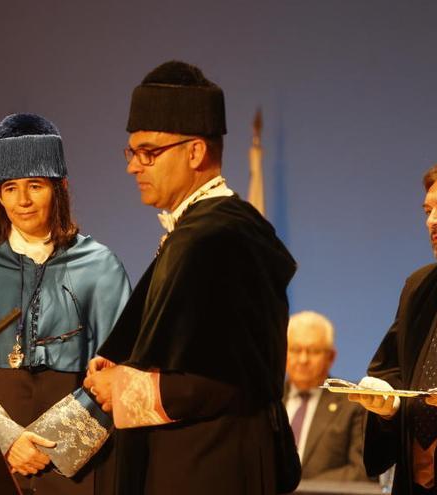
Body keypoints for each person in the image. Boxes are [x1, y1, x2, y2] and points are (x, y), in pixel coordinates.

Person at [83, 60, 297, 495]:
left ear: (195, 152)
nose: (133, 168)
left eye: (148, 153)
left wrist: (122, 387)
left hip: (211, 463)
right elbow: (189, 350)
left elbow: (227, 382)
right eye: (132, 153)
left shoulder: (213, 236)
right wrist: (124, 361)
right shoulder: (204, 228)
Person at [0, 113, 131, 494]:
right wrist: (6, 440)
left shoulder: (100, 267)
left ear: (60, 187)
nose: (22, 200)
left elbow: (120, 368)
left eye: (35, 185)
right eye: (9, 188)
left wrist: (55, 443)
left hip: (79, 467)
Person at [349, 155, 437, 495]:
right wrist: (387, 404)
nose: (433, 221)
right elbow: (391, 371)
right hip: (414, 483)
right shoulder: (420, 286)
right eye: (428, 211)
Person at [285, 311, 369, 481]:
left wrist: (302, 490)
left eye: (313, 351)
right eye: (295, 349)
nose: (303, 359)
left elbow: (360, 470)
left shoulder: (353, 402)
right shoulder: (267, 401)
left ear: (331, 357)